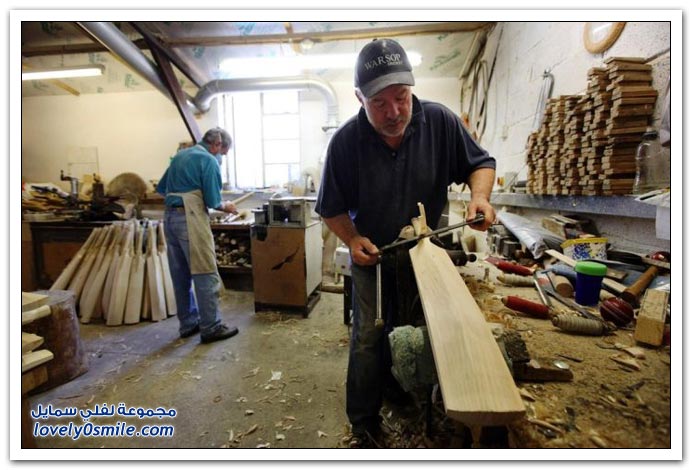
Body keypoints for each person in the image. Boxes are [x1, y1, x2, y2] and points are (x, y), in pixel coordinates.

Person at [315, 38, 497, 447]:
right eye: (379, 103)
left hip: (425, 253)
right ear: (359, 98)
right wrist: (353, 238)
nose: (394, 112)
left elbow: (480, 163)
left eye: (401, 97)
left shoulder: (441, 122)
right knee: (368, 337)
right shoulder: (345, 143)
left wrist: (480, 197)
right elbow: (330, 208)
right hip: (373, 257)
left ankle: (414, 402)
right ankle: (363, 423)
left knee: (422, 330)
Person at [156, 127, 240, 344]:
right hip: (189, 218)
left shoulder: (180, 156)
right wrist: (227, 206)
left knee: (180, 274)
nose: (221, 158)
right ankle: (211, 327)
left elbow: (161, 188)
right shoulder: (208, 160)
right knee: (205, 272)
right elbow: (214, 201)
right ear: (217, 145)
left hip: (170, 218)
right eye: (223, 153)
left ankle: (188, 323)